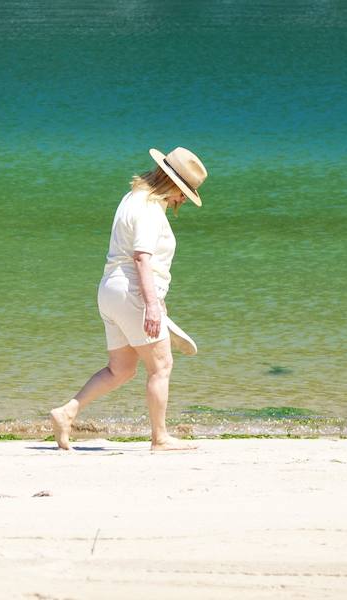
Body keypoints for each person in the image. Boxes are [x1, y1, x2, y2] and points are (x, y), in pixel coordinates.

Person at [49, 147, 208, 452]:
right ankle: (160, 438)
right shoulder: (150, 209)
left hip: (110, 291)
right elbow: (141, 259)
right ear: (172, 182)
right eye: (184, 191)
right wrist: (152, 305)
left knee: (120, 369)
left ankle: (66, 412)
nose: (184, 199)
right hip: (132, 292)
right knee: (161, 366)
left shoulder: (133, 197)